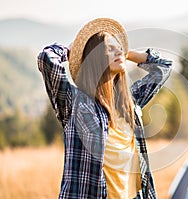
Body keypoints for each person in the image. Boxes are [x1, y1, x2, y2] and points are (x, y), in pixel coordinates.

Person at [37, 18, 172, 199]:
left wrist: (129, 53)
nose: (119, 50)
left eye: (119, 47)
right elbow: (47, 59)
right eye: (110, 48)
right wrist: (74, 50)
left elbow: (162, 67)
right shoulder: (76, 103)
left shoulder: (128, 103)